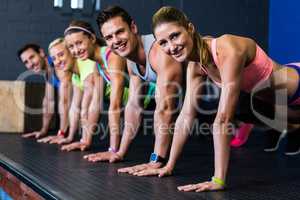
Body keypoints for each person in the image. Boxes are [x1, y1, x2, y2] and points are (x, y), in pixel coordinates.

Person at [131, 6, 300, 192]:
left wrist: (218, 180)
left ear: (190, 28)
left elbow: (223, 119)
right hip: (282, 106)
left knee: (235, 108)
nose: (171, 47)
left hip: (295, 89)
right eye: (163, 43)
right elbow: (186, 116)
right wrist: (168, 165)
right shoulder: (196, 67)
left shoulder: (227, 48)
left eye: (175, 36)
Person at [83, 6, 183, 171]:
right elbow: (134, 107)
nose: (115, 40)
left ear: (133, 28)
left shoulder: (159, 52)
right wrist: (118, 152)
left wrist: (155, 160)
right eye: (109, 37)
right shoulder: (131, 60)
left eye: (120, 32)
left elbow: (165, 109)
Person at [63, 20, 131, 152]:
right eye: (71, 47)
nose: (76, 50)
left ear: (92, 38)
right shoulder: (97, 64)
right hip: (136, 103)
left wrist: (113, 150)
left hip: (151, 97)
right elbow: (96, 103)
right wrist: (85, 140)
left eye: (79, 43)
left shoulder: (112, 55)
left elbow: (115, 105)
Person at [17, 44, 70, 140]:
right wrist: (43, 130)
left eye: (32, 57)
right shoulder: (48, 72)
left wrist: (61, 134)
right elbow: (48, 102)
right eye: (26, 62)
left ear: (41, 53)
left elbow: (65, 101)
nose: (30, 64)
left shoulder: (57, 63)